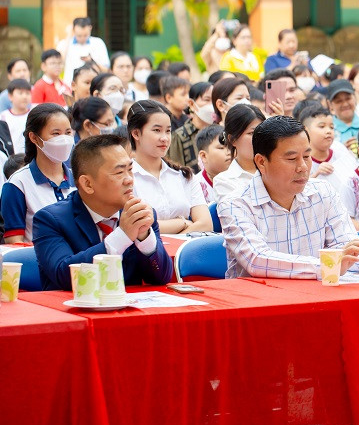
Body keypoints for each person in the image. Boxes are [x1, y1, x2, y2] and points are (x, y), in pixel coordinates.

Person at [217, 114, 359, 425]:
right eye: (291, 158)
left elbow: (346, 249)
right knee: (264, 396)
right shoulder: (236, 202)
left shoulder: (323, 193)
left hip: (320, 321)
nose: (303, 167)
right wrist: (327, 263)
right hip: (261, 329)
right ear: (261, 161)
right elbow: (256, 259)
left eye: (306, 156)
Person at [32, 133, 173, 290]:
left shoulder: (138, 214)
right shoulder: (49, 220)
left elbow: (162, 277)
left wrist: (145, 237)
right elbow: (64, 275)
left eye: (130, 169)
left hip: (127, 304)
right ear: (87, 184)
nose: (129, 179)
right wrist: (122, 237)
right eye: (119, 172)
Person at [127, 100, 212, 234]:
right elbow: (139, 228)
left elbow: (206, 224)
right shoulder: (126, 178)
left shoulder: (184, 175)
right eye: (157, 130)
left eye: (168, 131)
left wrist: (177, 239)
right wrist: (182, 222)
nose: (165, 138)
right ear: (136, 133)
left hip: (185, 247)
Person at [1, 104, 76, 243]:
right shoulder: (17, 184)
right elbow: (14, 243)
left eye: (68, 132)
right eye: (56, 134)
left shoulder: (79, 180)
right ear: (34, 138)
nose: (64, 139)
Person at [299, 103, 358, 195]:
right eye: (322, 126)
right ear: (306, 130)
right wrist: (316, 174)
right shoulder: (300, 160)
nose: (329, 131)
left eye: (331, 127)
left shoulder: (339, 148)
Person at [213, 103, 262, 201]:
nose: (260, 138)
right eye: (252, 133)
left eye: (262, 131)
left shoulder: (276, 169)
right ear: (232, 139)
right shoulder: (224, 181)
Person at [168, 82, 214, 171]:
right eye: (207, 100)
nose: (211, 105)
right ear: (191, 104)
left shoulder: (221, 132)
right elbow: (176, 170)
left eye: (214, 100)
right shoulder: (180, 136)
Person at [60, 17, 110, 85]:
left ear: (90, 28)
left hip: (93, 85)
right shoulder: (65, 43)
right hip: (69, 85)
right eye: (79, 36)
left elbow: (106, 70)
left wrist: (92, 61)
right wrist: (68, 35)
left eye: (86, 35)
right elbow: (60, 62)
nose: (82, 38)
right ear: (73, 30)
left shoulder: (98, 43)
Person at [195, 124, 230, 204]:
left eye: (230, 147)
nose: (229, 152)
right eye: (221, 148)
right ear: (203, 156)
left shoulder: (244, 177)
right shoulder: (194, 186)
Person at [327, 80, 359, 150]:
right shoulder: (327, 132)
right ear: (330, 104)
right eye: (338, 101)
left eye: (348, 98)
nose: (345, 104)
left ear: (355, 97)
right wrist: (341, 151)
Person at [0, 79, 33, 153]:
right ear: (10, 96)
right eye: (20, 93)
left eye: (27, 93)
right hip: (10, 156)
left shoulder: (34, 115)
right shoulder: (3, 117)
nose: (24, 97)